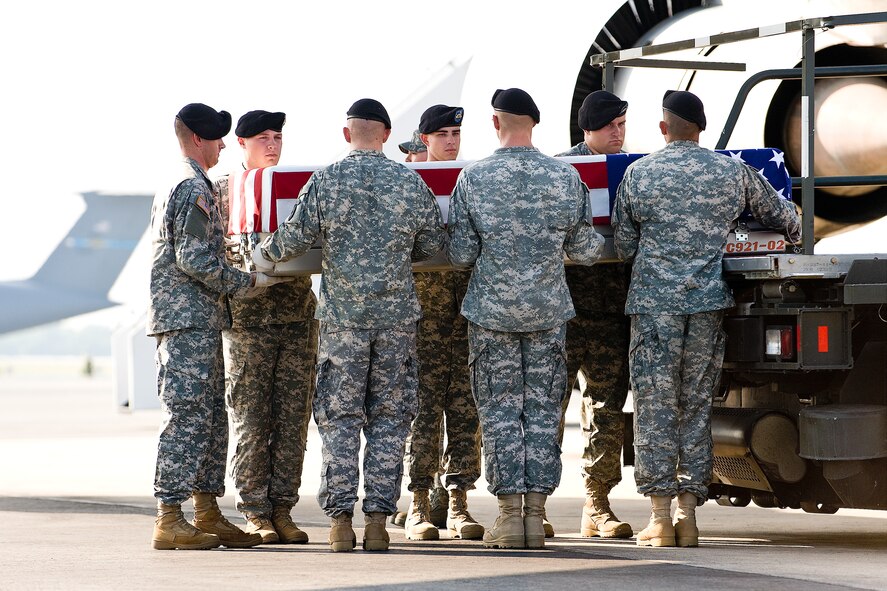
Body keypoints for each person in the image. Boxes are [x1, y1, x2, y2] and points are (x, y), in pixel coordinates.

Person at [252, 98, 446, 552]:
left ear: (347, 135)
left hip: (343, 322)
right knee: (390, 419)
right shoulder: (409, 182)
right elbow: (431, 245)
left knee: (339, 418)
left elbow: (293, 239)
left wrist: (262, 252)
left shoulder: (327, 181)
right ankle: (378, 521)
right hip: (397, 320)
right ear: (385, 134)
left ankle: (340, 523)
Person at [612, 90, 801, 547]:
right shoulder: (732, 171)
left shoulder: (640, 174)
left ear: (663, 128)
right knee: (695, 408)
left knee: (656, 408)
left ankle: (658, 519)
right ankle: (688, 517)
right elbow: (786, 217)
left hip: (655, 308)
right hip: (707, 306)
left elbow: (623, 245)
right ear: (702, 130)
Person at [447, 88, 604, 549]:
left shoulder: (474, 179)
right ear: (535, 123)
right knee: (540, 413)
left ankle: (509, 518)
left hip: (492, 315)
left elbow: (460, 254)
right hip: (548, 312)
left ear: (496, 123)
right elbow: (585, 250)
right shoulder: (565, 177)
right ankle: (536, 517)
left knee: (498, 414)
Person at [148, 103, 290, 550]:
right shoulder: (191, 188)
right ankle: (169, 516)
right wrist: (248, 282)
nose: (224, 145)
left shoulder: (191, 182)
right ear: (196, 139)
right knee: (187, 417)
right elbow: (193, 259)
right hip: (186, 319)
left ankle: (206, 511)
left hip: (200, 317)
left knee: (210, 419)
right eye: (217, 138)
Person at [216, 110, 318, 544]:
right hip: (248, 324)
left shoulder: (300, 188)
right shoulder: (223, 192)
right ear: (242, 143)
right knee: (252, 419)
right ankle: (255, 511)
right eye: (263, 138)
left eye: (278, 137)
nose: (273, 145)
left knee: (293, 418)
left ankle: (283, 508)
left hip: (297, 318)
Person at [554, 90, 633, 540]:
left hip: (609, 314)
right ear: (588, 129)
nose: (618, 133)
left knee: (606, 410)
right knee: (549, 409)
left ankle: (597, 503)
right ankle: (535, 502)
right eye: (610, 127)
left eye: (622, 125)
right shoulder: (561, 173)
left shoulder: (632, 172)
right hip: (564, 312)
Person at [403, 104, 484, 542]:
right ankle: (418, 503)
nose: (451, 141)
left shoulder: (472, 182)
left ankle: (458, 503)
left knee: (465, 413)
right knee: (423, 415)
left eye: (456, 132)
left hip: (466, 317)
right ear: (426, 139)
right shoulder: (411, 186)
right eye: (443, 134)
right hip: (424, 320)